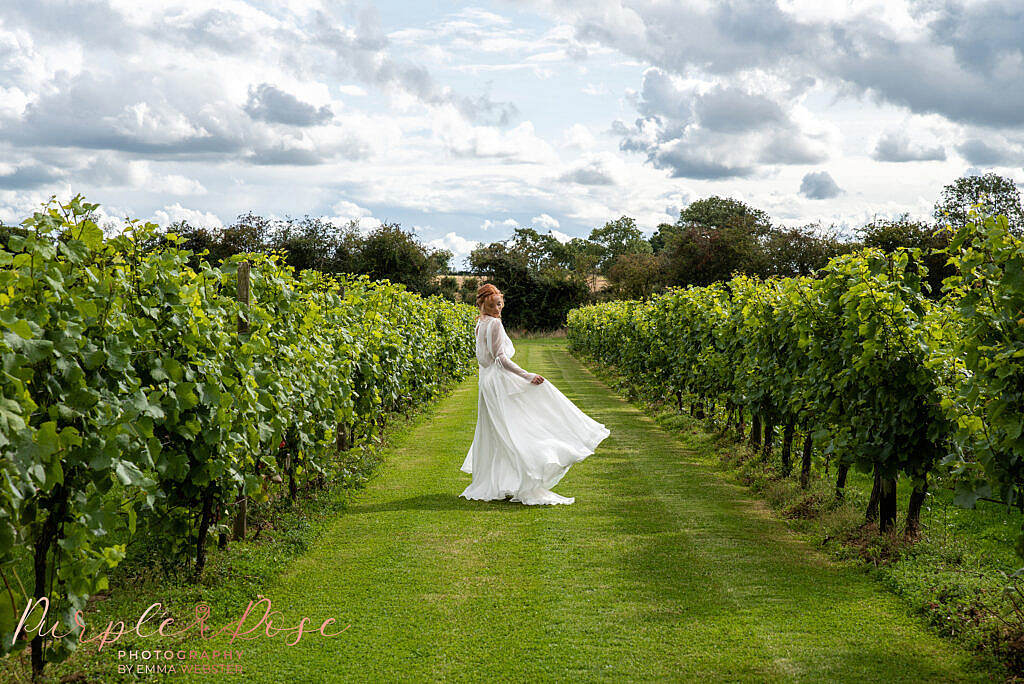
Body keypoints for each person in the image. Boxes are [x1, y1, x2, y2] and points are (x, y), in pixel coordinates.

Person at [459, 283, 610, 505]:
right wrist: (527, 375)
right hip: (497, 380)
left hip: (487, 382)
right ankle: (534, 468)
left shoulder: (480, 324)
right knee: (519, 425)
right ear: (484, 305)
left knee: (498, 430)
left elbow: (484, 359)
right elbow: (500, 358)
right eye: (493, 306)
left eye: (499, 304)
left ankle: (501, 480)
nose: (498, 309)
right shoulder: (494, 325)